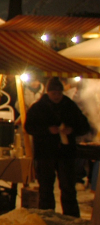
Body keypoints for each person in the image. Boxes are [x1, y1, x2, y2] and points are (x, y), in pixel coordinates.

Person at [25, 77, 91, 217]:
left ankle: (71, 217)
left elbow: (84, 126)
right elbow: (29, 127)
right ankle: (47, 216)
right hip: (45, 153)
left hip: (66, 153)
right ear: (48, 93)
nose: (56, 96)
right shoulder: (38, 107)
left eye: (59, 93)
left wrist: (72, 130)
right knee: (46, 187)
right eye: (54, 93)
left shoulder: (70, 106)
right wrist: (47, 130)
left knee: (68, 187)